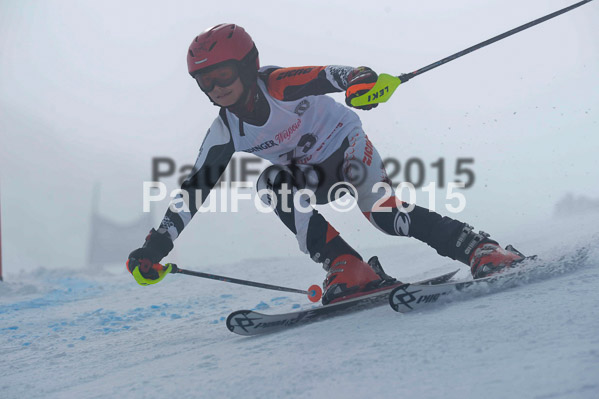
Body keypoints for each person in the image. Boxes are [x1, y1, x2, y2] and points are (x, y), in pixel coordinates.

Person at [126, 23, 525, 305]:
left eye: (223, 75)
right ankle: (349, 267)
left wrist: (361, 84)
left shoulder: (280, 83)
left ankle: (481, 249)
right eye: (204, 81)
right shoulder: (225, 131)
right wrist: (158, 243)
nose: (216, 88)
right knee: (269, 183)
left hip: (347, 150)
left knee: (387, 216)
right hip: (311, 176)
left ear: (247, 67)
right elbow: (195, 189)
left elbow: (338, 74)